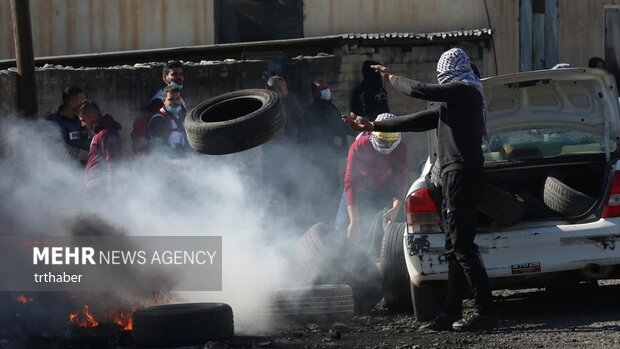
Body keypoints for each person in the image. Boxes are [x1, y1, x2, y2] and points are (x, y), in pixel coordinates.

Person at [342, 48, 497, 332]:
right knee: (455, 248)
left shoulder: (465, 91)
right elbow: (416, 121)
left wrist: (391, 77)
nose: (441, 79)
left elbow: (420, 90)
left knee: (462, 248)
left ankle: (485, 310)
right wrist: (374, 124)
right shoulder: (455, 102)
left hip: (461, 175)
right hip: (454, 176)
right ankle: (450, 312)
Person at [335, 113, 408, 254]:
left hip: (383, 190)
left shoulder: (401, 149)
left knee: (387, 230)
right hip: (360, 189)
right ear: (374, 135)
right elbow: (350, 183)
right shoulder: (359, 146)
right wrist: (354, 221)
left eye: (389, 142)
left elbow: (400, 181)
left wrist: (395, 209)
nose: (385, 146)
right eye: (381, 141)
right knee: (341, 227)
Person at [303, 79, 350, 224]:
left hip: (334, 157)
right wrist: (331, 139)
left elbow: (340, 126)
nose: (326, 90)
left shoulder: (330, 107)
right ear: (315, 93)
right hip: (320, 157)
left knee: (333, 188)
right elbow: (312, 132)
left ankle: (330, 218)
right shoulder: (312, 110)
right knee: (322, 189)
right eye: (322, 88)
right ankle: (320, 220)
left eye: (327, 87)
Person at [77, 99, 122, 196]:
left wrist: (111, 191)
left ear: (92, 116)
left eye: (83, 120)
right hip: (96, 190)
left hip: (100, 192)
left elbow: (113, 163)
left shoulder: (105, 134)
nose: (83, 124)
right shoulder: (100, 134)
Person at [46, 86, 91, 163]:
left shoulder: (83, 119)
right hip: (66, 172)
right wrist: (91, 156)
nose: (85, 104)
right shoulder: (53, 122)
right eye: (82, 101)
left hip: (88, 172)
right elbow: (61, 150)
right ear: (72, 103)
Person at [148, 86, 189, 154]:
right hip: (166, 161)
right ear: (164, 100)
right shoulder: (158, 119)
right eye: (171, 99)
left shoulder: (179, 116)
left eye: (178, 99)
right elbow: (160, 147)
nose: (175, 102)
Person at [267, 76, 305, 142]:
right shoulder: (268, 106)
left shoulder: (291, 103)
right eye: (284, 87)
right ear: (278, 89)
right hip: (279, 144)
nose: (286, 89)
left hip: (290, 142)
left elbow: (301, 123)